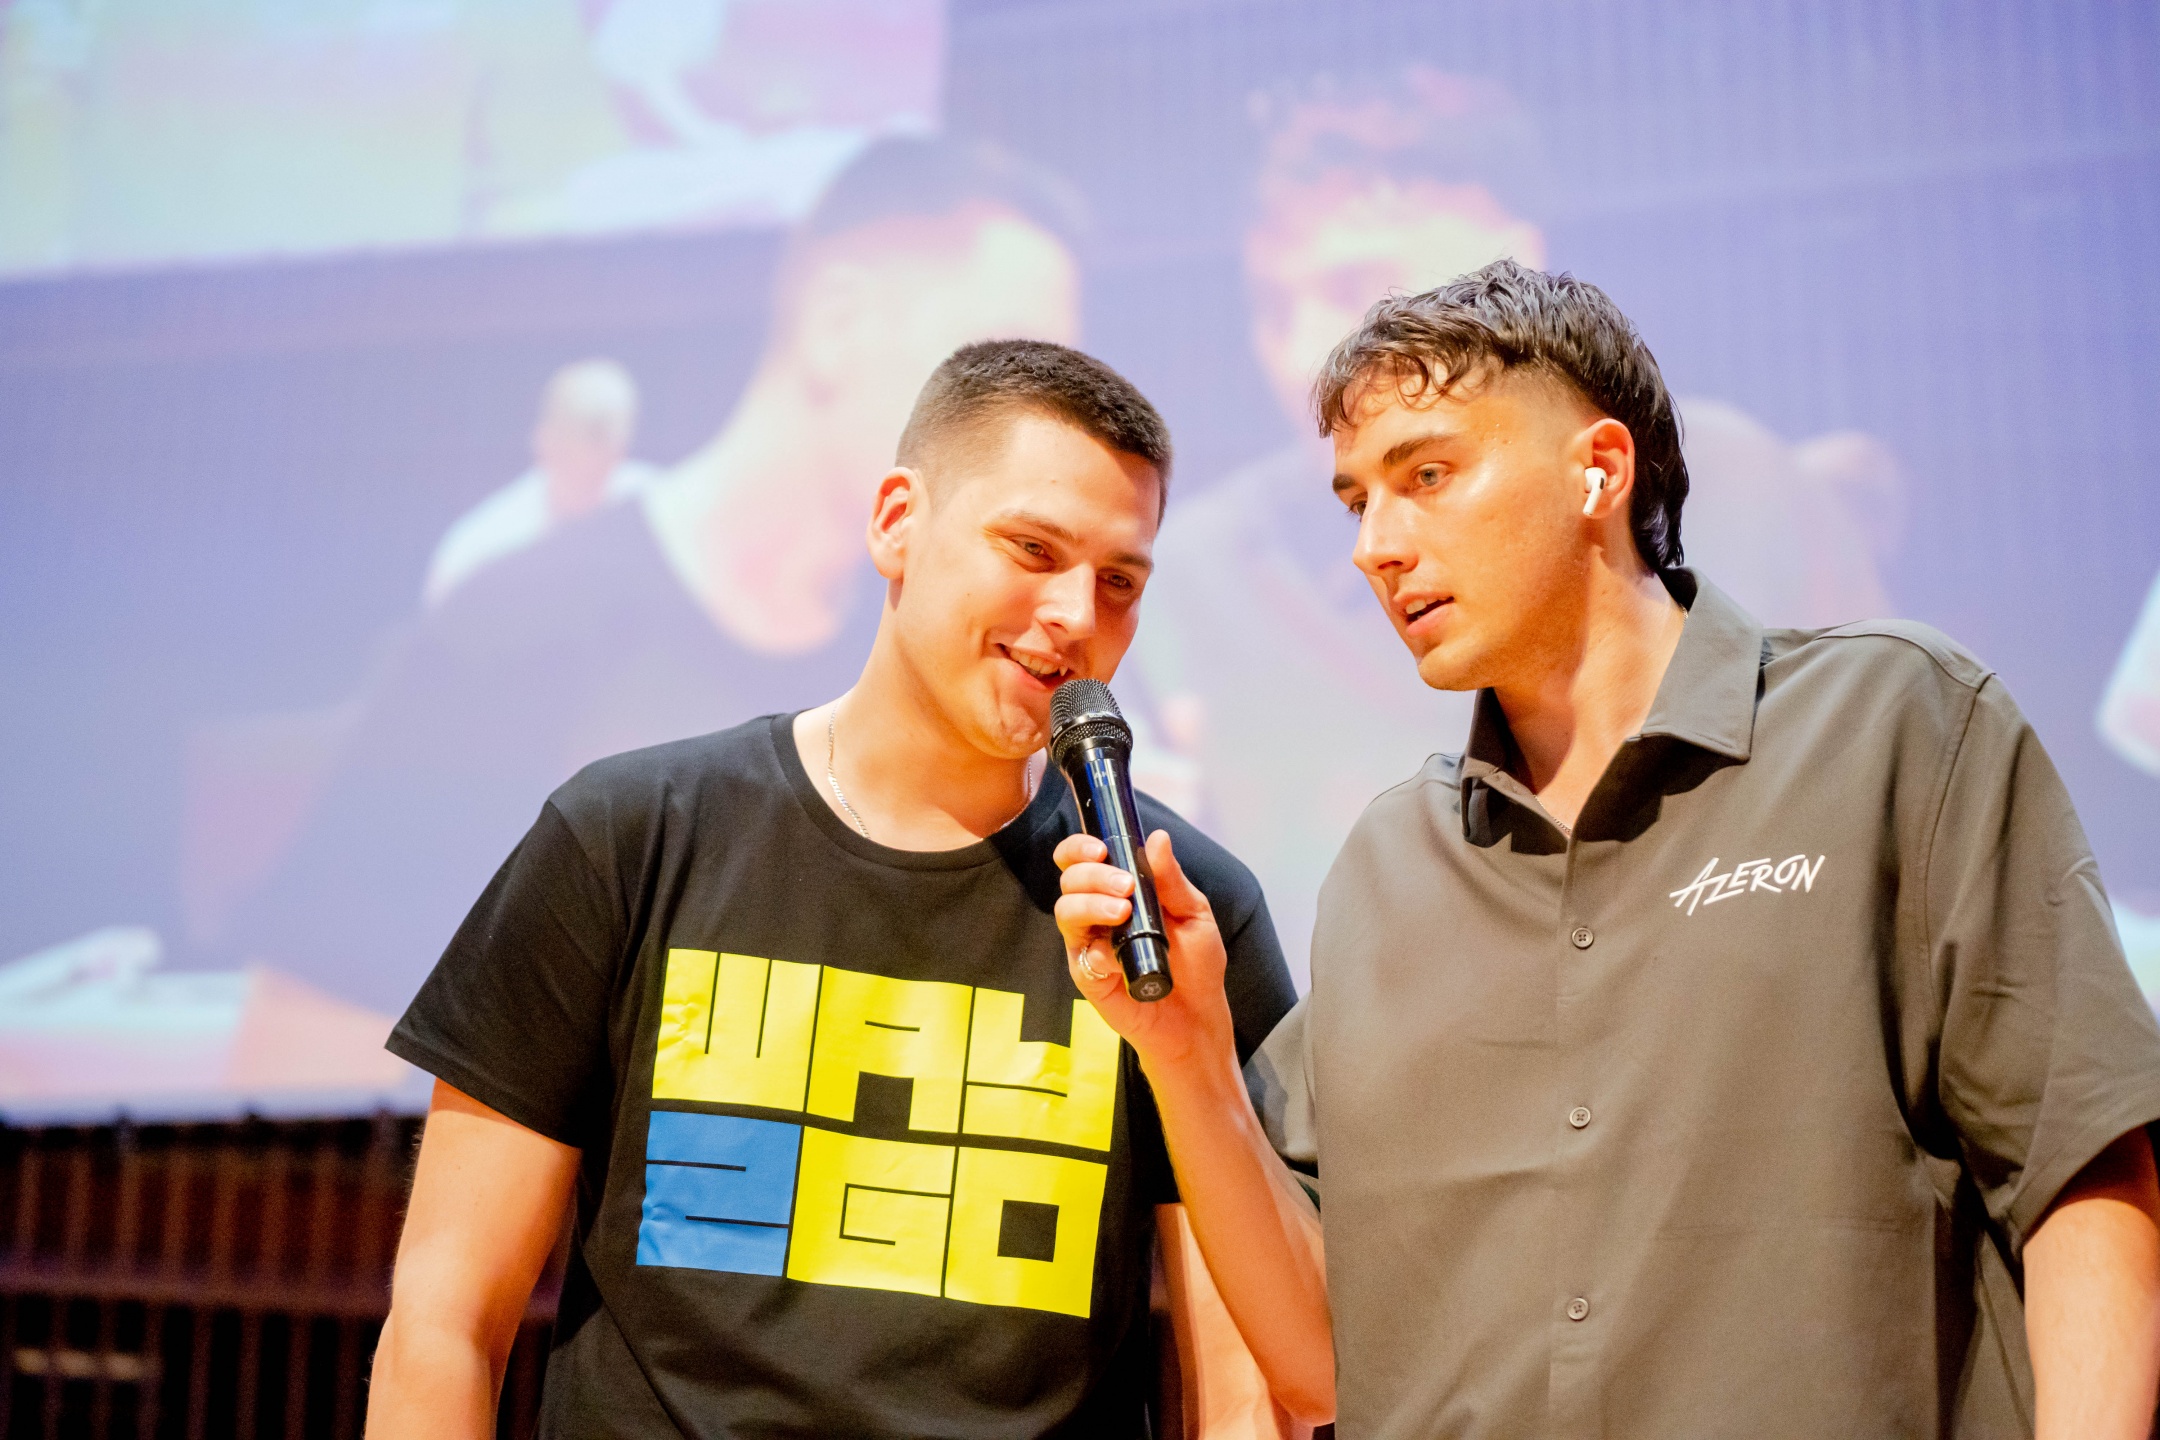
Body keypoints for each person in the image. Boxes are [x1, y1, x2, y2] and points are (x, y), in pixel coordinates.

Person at [1056, 260, 2160, 1437]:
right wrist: (1187, 1054)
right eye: (1355, 502)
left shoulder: (1891, 725)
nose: (1377, 545)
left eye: (1427, 476)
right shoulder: (1385, 868)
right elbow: (1324, 1366)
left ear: (1601, 470)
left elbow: (2079, 1162)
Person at [363, 340, 1298, 1437]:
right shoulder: (630, 836)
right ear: (897, 522)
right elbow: (444, 1319)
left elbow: (1250, 1391)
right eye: (1032, 549)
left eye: (1120, 581)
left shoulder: (1174, 915)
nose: (1075, 615)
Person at [234, 136, 1085, 1017]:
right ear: (837, 324)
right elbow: (313, 1030)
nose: (1038, 448)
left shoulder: (958, 668)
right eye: (999, 384)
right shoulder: (522, 619)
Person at [1128, 67, 1900, 986]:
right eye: (1271, 307)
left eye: (1355, 288)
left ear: (1515, 267)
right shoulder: (1195, 575)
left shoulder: (1747, 494)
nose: (1301, 356)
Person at [423, 358, 658, 606]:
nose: (591, 475)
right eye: (573, 462)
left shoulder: (659, 511)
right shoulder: (482, 551)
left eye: (607, 462)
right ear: (543, 442)